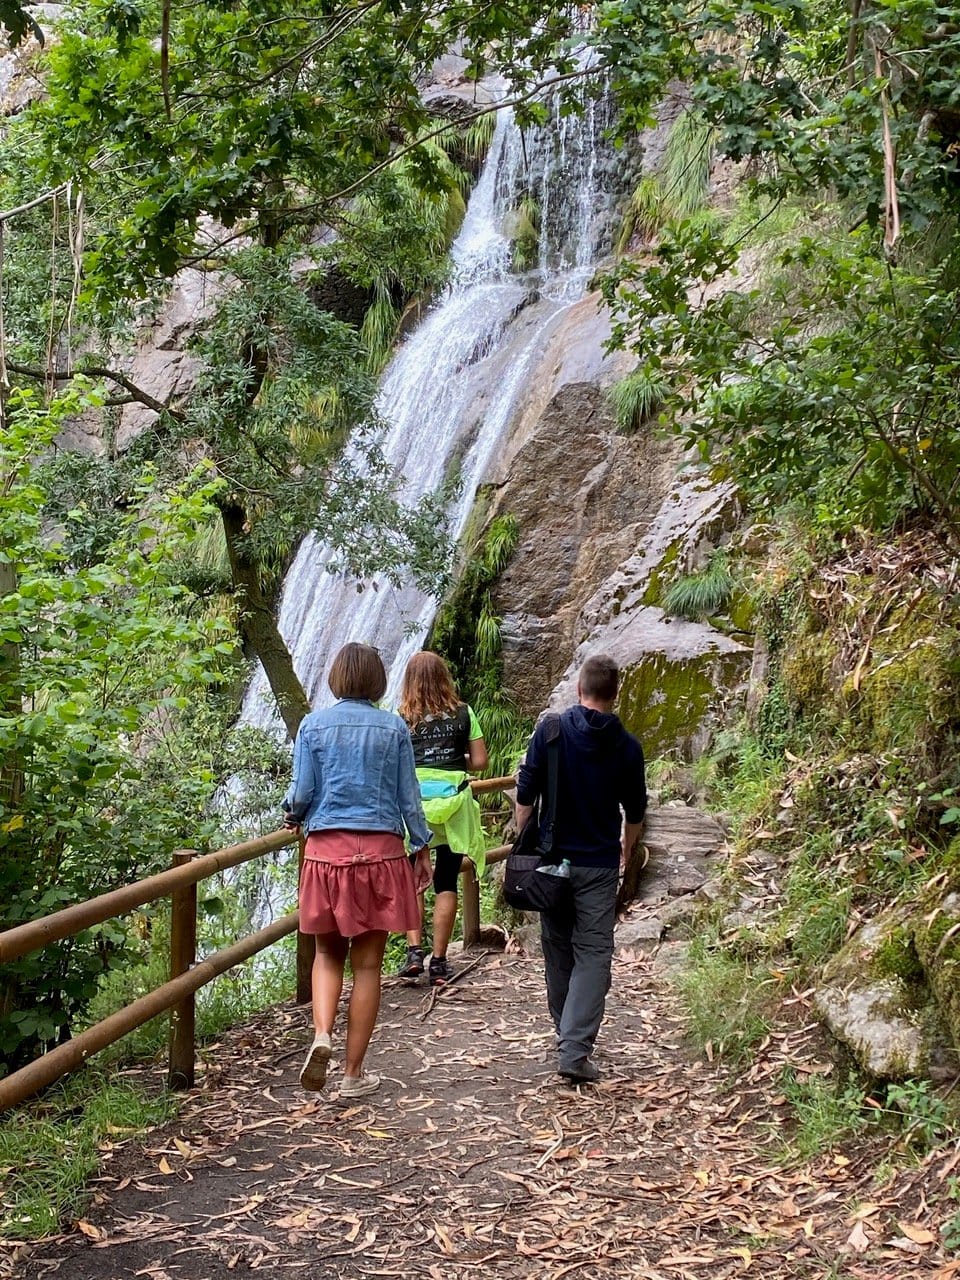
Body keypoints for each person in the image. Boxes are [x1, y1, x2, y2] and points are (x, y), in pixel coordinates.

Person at [283, 642, 433, 1098]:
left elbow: (302, 791)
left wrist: (293, 813)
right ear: (377, 681)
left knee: (327, 955)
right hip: (381, 854)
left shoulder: (312, 725)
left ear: (335, 678)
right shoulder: (393, 729)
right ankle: (352, 1075)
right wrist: (422, 845)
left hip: (326, 854)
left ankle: (322, 1034)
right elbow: (409, 795)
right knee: (367, 966)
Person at [515, 653, 646, 1084]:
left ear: (579, 689)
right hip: (599, 863)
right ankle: (573, 1046)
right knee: (593, 952)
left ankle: (566, 1035)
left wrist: (527, 841)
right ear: (615, 694)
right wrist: (627, 851)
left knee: (557, 947)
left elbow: (526, 792)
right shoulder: (628, 747)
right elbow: (636, 811)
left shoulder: (550, 731)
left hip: (553, 859)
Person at [395, 650, 488, 986]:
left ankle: (414, 953)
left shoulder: (402, 717)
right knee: (446, 879)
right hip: (453, 805)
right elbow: (479, 762)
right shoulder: (464, 713)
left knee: (414, 880)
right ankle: (439, 963)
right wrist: (453, 756)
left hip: (415, 808)